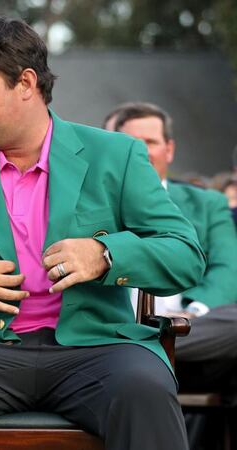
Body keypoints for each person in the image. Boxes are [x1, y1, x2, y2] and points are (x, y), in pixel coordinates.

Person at [0, 16, 204, 450]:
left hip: (95, 347)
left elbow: (184, 255)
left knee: (145, 389)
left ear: (25, 83)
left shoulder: (115, 155)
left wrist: (105, 255)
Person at [108, 102, 237, 401]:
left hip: (192, 338)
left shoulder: (207, 204)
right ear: (114, 149)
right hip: (112, 335)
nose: (142, 151)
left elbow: (228, 269)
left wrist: (192, 313)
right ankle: (137, 340)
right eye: (131, 143)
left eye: (151, 142)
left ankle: (148, 340)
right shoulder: (93, 203)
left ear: (169, 149)